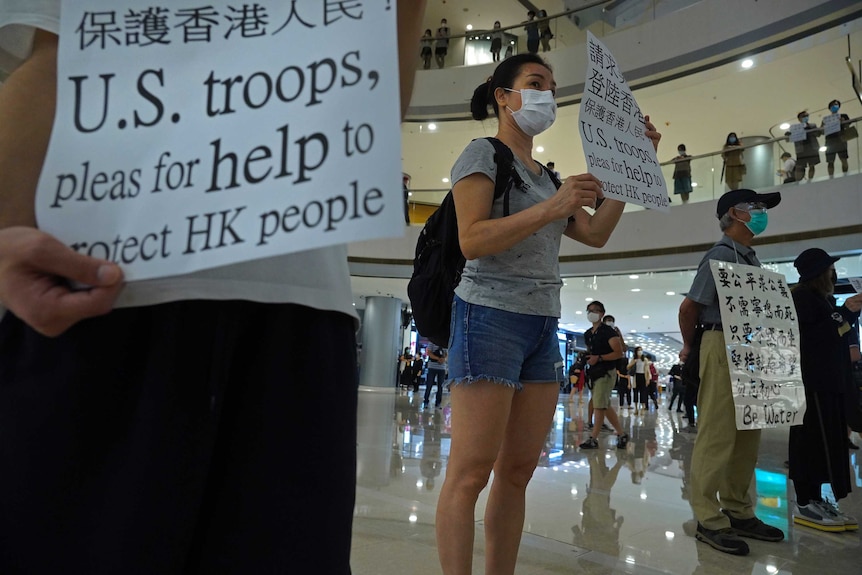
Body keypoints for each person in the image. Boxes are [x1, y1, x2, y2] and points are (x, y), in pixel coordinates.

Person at [0, 1, 428, 573]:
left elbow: (366, 96)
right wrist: (7, 237)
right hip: (100, 283)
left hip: (289, 301)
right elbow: (57, 54)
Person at [434, 53, 661, 574]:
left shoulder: (545, 175)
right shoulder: (483, 154)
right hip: (488, 315)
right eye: (534, 83)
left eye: (551, 87)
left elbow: (598, 233)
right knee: (470, 473)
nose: (545, 94)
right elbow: (471, 239)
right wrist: (553, 207)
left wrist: (636, 160)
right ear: (502, 95)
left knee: (517, 471)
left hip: (542, 322)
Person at [678, 188, 785, 556]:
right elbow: (690, 308)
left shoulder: (749, 259)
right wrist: (692, 349)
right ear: (735, 214)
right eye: (756, 208)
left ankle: (739, 509)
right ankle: (709, 517)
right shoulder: (720, 257)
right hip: (721, 344)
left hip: (750, 350)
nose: (761, 213)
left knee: (747, 432)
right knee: (719, 431)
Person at [789, 248, 862, 532]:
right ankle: (806, 501)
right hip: (812, 385)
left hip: (828, 383)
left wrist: (846, 315)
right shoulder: (802, 298)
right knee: (810, 441)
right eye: (830, 269)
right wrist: (845, 312)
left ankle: (816, 498)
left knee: (825, 443)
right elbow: (813, 338)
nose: (834, 274)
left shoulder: (823, 300)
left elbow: (835, 333)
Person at [578, 301, 630, 450]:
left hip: (606, 372)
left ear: (601, 313)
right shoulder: (588, 334)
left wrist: (599, 358)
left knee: (599, 405)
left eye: (594, 310)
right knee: (603, 404)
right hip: (594, 372)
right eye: (589, 310)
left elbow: (618, 352)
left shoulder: (608, 332)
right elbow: (591, 351)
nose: (591, 313)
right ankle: (621, 434)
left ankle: (593, 438)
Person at [789, 110, 821, 181]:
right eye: (804, 116)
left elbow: (818, 134)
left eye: (807, 116)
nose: (806, 117)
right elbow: (790, 137)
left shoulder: (813, 125)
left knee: (812, 165)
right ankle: (797, 181)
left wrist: (811, 128)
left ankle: (810, 180)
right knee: (799, 166)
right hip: (801, 149)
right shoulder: (795, 128)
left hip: (812, 147)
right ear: (799, 118)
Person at [822, 99, 850, 177]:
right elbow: (821, 131)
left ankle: (845, 175)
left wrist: (843, 122)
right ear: (830, 108)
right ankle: (831, 177)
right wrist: (823, 126)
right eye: (833, 105)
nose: (835, 106)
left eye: (836, 105)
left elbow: (848, 126)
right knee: (830, 161)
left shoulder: (843, 116)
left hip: (841, 138)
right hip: (829, 140)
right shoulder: (826, 119)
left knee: (843, 159)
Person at [627, 346, 649, 415]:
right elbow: (628, 367)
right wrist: (633, 362)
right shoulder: (634, 359)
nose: (640, 351)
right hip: (636, 377)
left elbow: (647, 371)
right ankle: (636, 408)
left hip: (643, 376)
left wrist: (647, 379)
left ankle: (642, 407)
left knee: (643, 392)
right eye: (639, 350)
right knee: (635, 392)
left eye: (641, 350)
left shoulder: (645, 360)